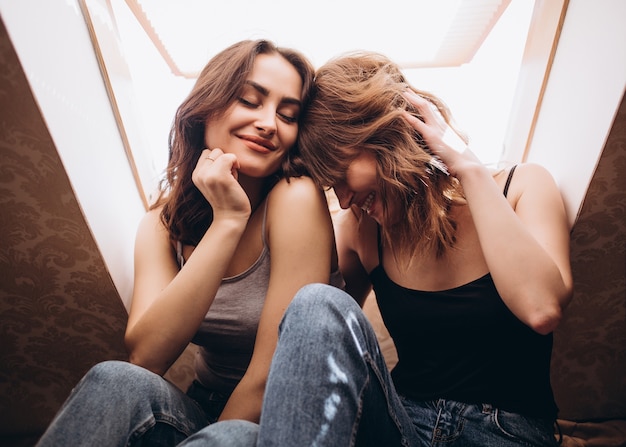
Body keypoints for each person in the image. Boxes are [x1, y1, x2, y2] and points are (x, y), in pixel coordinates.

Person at [179, 50, 574, 446]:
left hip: (507, 431)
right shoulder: (361, 232)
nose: (346, 200)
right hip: (402, 424)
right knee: (314, 303)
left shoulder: (522, 187)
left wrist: (467, 167)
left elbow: (541, 309)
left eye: (342, 176)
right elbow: (313, 334)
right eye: (332, 186)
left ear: (383, 135)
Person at [36, 39, 342, 447]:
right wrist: (227, 221)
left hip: (286, 416)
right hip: (201, 406)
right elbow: (146, 357)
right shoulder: (163, 223)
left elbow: (273, 375)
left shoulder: (296, 197)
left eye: (288, 115)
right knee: (116, 379)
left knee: (229, 436)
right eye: (250, 101)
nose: (270, 123)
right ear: (207, 106)